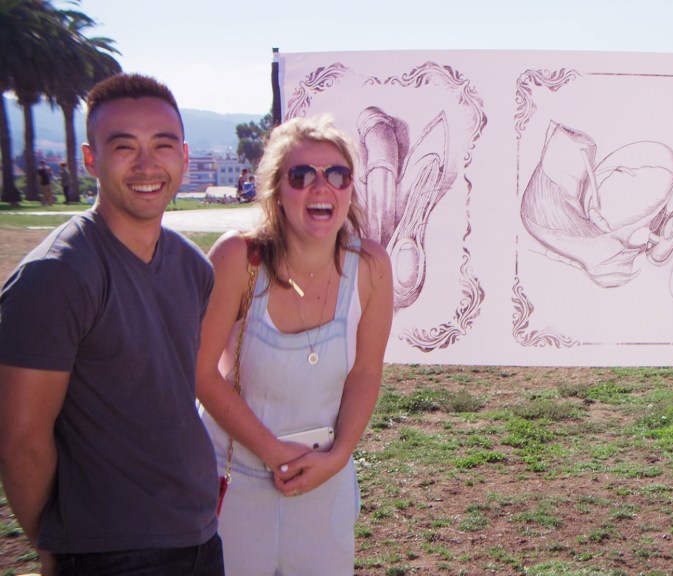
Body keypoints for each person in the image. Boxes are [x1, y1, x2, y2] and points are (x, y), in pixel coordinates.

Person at [0, 73, 224, 575]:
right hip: (107, 552)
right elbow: (20, 441)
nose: (146, 165)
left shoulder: (193, 267)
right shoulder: (56, 275)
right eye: (124, 147)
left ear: (184, 156)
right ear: (90, 159)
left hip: (199, 533)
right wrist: (55, 548)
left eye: (162, 145)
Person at [197, 114, 393, 575]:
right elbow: (201, 373)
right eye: (301, 175)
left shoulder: (372, 266)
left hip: (324, 485)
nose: (321, 187)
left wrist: (338, 457)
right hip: (234, 483)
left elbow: (366, 373)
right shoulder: (238, 258)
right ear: (276, 190)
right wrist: (271, 451)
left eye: (337, 174)